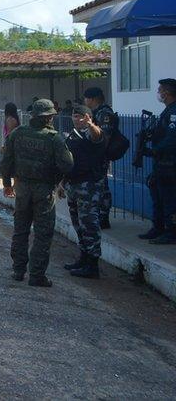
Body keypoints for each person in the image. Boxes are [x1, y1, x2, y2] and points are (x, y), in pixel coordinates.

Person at [1, 99, 73, 287]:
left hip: (22, 188)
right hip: (44, 190)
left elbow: (6, 160)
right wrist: (56, 179)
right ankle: (36, 275)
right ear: (49, 117)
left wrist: (7, 184)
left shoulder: (17, 134)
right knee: (43, 233)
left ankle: (18, 270)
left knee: (20, 230)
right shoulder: (54, 138)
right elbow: (68, 164)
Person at [61, 105, 107, 279]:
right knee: (78, 224)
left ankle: (93, 264)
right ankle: (83, 257)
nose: (77, 119)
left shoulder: (92, 132)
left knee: (89, 224)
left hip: (89, 186)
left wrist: (90, 124)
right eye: (74, 116)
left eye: (80, 116)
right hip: (73, 184)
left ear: (88, 117)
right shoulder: (72, 135)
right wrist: (62, 183)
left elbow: (98, 137)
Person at [141, 78, 176, 244]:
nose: (159, 93)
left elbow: (172, 139)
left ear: (167, 93)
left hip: (170, 164)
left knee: (169, 199)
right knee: (158, 195)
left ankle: (172, 232)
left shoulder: (174, 112)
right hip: (161, 163)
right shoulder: (167, 111)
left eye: (160, 90)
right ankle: (158, 227)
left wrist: (155, 149)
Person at [84, 87, 116, 230]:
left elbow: (105, 137)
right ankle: (98, 214)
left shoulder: (105, 113)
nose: (85, 101)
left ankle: (104, 216)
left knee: (102, 186)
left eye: (86, 98)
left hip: (100, 156)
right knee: (97, 185)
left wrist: (97, 154)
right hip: (94, 155)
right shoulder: (96, 112)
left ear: (93, 99)